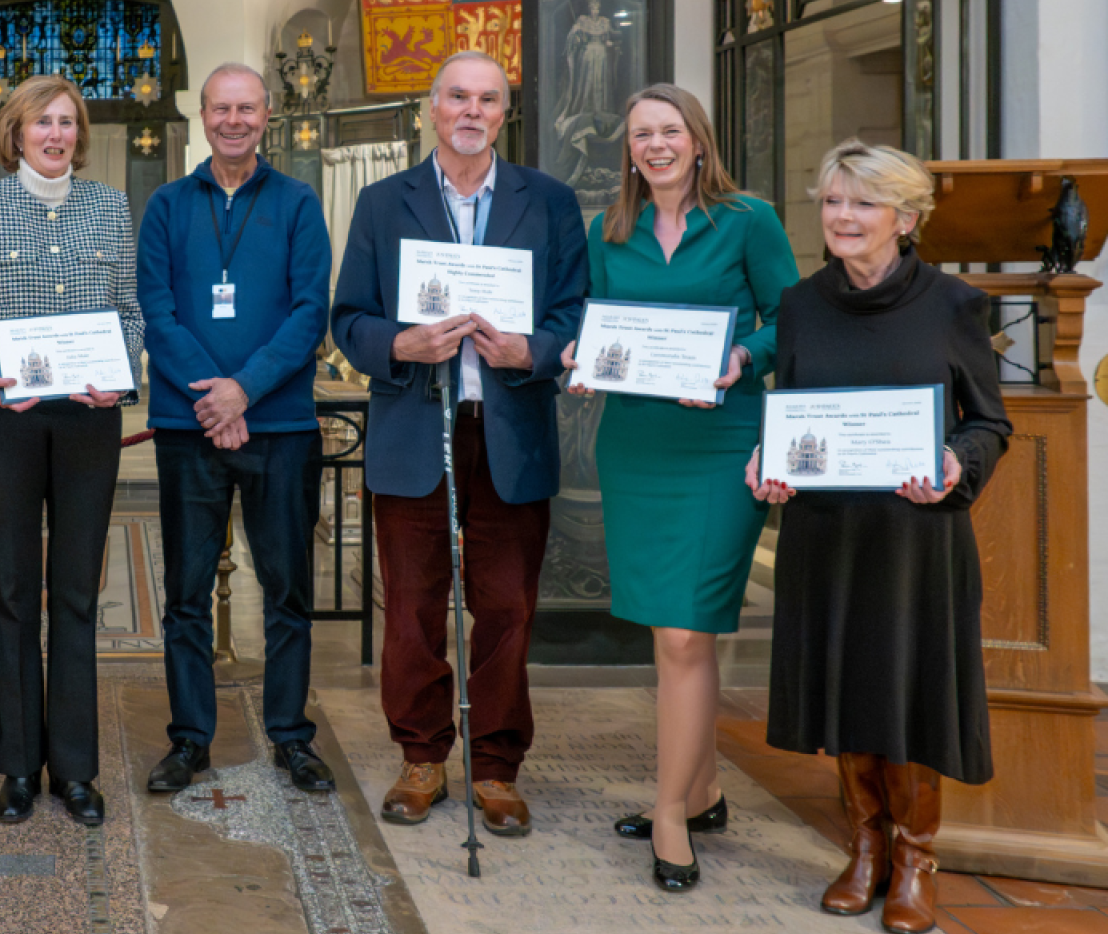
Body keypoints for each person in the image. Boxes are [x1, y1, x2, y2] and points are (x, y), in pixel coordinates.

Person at [748, 140, 1009, 934]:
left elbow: (990, 423)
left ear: (907, 217)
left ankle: (916, 859)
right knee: (844, 684)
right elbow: (792, 411)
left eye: (862, 203)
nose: (843, 218)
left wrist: (954, 463)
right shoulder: (800, 303)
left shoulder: (954, 304)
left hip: (914, 535)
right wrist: (771, 461)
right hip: (826, 532)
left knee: (912, 688)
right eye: (832, 201)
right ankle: (863, 848)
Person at [331, 50, 586, 837]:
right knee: (411, 606)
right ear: (431, 110)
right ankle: (422, 755)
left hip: (508, 430)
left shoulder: (548, 202)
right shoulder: (383, 202)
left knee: (506, 607)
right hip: (416, 425)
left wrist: (532, 353)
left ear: (504, 114)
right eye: (457, 97)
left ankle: (498, 765)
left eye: (488, 99)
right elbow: (349, 319)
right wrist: (401, 345)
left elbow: (576, 314)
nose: (471, 111)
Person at [558, 84, 798, 891]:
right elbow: (596, 317)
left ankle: (667, 815)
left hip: (719, 443)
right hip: (636, 445)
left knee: (689, 633)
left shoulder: (747, 221)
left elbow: (787, 319)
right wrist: (584, 361)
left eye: (669, 131)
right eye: (640, 136)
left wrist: (743, 361)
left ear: (698, 139)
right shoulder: (608, 230)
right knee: (671, 634)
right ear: (627, 151)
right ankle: (703, 790)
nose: (655, 146)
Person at [0, 74, 146, 827]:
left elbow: (129, 311)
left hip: (88, 423)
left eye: (66, 123)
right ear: (14, 134)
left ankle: (76, 771)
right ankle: (19, 766)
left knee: (80, 593)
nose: (55, 135)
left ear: (79, 135)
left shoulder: (110, 206)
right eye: (40, 123)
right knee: (16, 594)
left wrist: (119, 381)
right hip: (7, 421)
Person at [136, 63, 333, 794]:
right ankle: (190, 738)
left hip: (279, 426)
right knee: (186, 593)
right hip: (188, 428)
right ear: (202, 113)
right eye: (221, 108)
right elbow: (156, 312)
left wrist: (243, 391)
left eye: (247, 108)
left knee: (287, 591)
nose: (234, 121)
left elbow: (310, 310)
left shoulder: (298, 202)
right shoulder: (165, 205)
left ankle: (290, 736)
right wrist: (213, 401)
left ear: (268, 114)